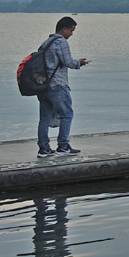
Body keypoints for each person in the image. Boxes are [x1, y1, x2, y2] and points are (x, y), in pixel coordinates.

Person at [37, 16, 89, 157]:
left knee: (44, 118)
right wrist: (79, 63)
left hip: (43, 86)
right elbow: (68, 62)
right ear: (64, 29)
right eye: (71, 31)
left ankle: (44, 148)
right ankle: (63, 146)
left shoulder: (46, 43)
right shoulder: (61, 42)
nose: (71, 34)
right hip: (58, 85)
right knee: (67, 114)